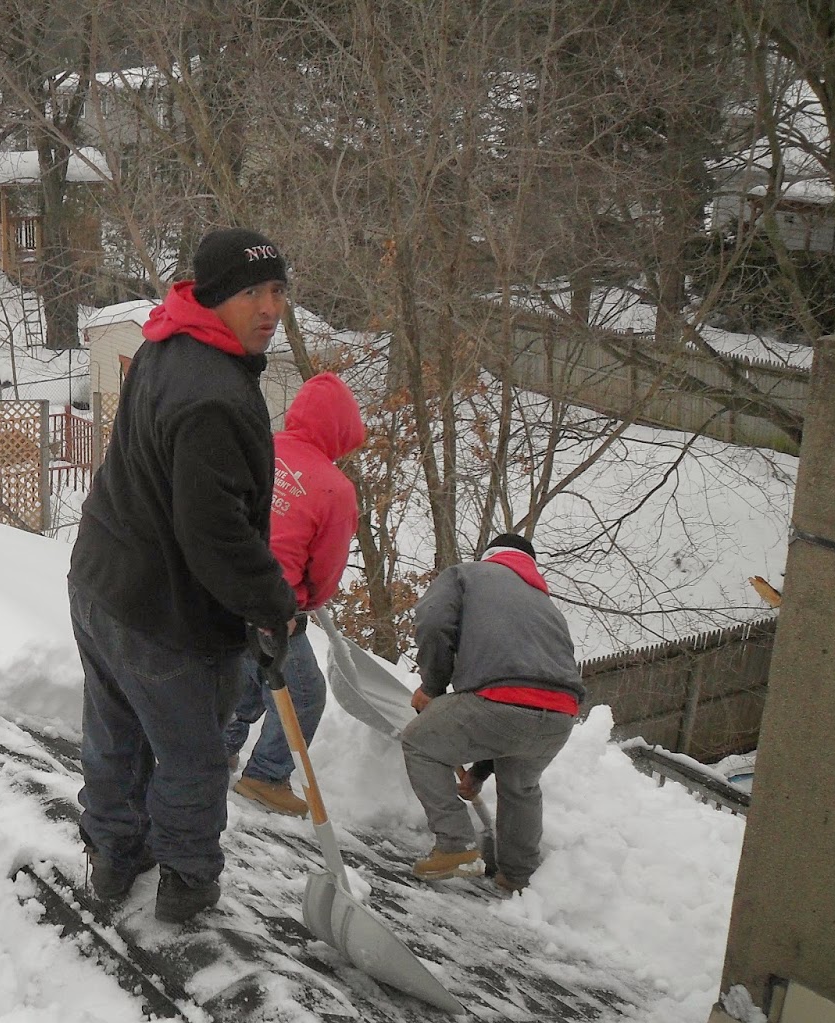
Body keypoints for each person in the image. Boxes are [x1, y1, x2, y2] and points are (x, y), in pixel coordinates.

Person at [68, 227, 298, 923]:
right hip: (160, 612)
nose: (269, 308)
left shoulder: (165, 344)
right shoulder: (213, 397)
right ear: (215, 296)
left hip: (102, 581)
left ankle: (113, 858)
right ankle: (187, 884)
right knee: (193, 757)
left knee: (115, 735)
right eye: (251, 292)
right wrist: (272, 605)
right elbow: (217, 536)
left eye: (278, 291)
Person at [402, 533, 584, 892]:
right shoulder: (546, 605)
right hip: (560, 716)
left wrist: (432, 687)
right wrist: (480, 773)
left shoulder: (466, 574)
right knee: (521, 787)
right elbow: (525, 707)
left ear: (489, 556)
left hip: (500, 702)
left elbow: (434, 621)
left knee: (419, 743)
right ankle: (517, 879)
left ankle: (455, 845)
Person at [224, 371, 366, 816]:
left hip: (218, 583)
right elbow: (324, 575)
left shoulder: (259, 447)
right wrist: (301, 600)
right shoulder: (334, 489)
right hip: (268, 604)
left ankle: (215, 748)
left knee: (247, 674)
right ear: (342, 431)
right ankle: (265, 776)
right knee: (304, 692)